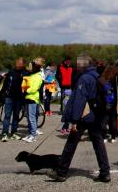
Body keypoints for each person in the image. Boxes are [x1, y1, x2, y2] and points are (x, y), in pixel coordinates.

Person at [48, 55, 111, 183]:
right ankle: (105, 172)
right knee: (98, 143)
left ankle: (61, 172)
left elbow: (79, 100)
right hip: (96, 114)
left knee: (71, 143)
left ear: (84, 65)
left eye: (78, 64)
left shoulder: (84, 78)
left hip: (84, 115)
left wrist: (74, 120)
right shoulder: (97, 76)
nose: (76, 66)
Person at [0, 58, 26, 142]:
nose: (18, 64)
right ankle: (4, 133)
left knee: (16, 116)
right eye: (17, 62)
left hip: (19, 98)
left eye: (20, 63)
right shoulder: (10, 72)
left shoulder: (25, 73)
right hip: (9, 97)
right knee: (7, 116)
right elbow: (5, 84)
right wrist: (2, 95)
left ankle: (14, 132)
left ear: (23, 65)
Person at [22, 61, 44, 143]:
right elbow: (26, 84)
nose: (30, 69)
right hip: (28, 98)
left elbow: (34, 88)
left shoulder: (38, 76)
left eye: (32, 67)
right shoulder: (32, 75)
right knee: (29, 117)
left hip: (33, 99)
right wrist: (24, 87)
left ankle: (33, 135)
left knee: (32, 118)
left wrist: (26, 90)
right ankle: (31, 133)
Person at [99, 65, 118, 143]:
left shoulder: (101, 80)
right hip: (114, 102)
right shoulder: (116, 79)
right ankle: (113, 137)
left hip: (104, 103)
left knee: (104, 120)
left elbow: (99, 93)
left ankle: (104, 137)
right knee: (113, 120)